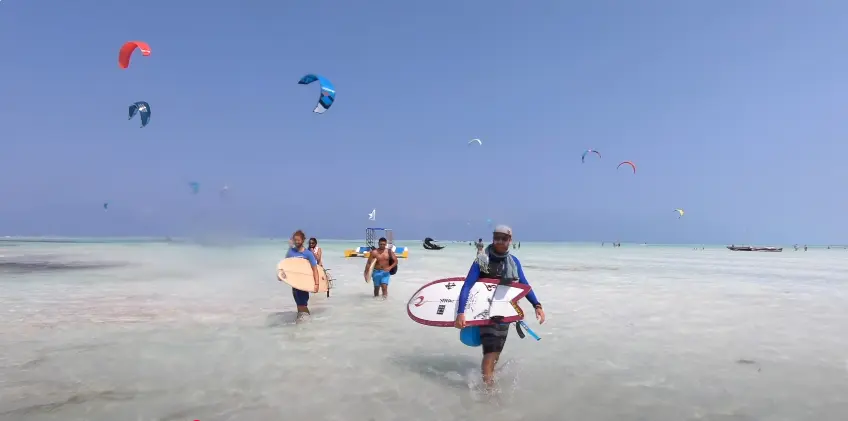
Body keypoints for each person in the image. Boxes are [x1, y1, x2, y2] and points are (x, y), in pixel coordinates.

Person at [454, 225, 545, 388]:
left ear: (510, 240)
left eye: (504, 238)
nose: (500, 242)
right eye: (497, 238)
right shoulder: (482, 260)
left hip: (503, 314)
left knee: (495, 353)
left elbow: (524, 285)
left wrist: (537, 305)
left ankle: (488, 379)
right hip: (485, 314)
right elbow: (467, 286)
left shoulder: (514, 262)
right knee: (490, 353)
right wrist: (461, 312)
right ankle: (489, 390)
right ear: (493, 238)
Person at [283, 230, 320, 321]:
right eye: (295, 240)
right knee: (298, 303)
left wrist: (316, 284)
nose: (297, 242)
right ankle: (302, 320)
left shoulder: (308, 254)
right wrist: (282, 275)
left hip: (304, 282)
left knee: (302, 303)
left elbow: (315, 269)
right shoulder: (291, 252)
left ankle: (305, 321)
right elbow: (285, 265)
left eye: (298, 240)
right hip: (294, 283)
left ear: (303, 240)